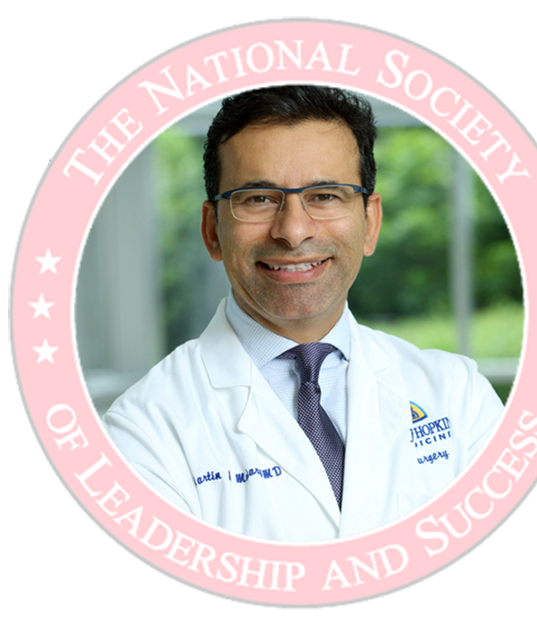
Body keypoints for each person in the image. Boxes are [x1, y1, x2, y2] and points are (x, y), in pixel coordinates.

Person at [103, 85, 503, 542]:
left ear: (370, 223)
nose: (293, 231)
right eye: (258, 198)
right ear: (212, 230)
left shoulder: (459, 397)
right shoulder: (144, 430)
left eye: (325, 196)